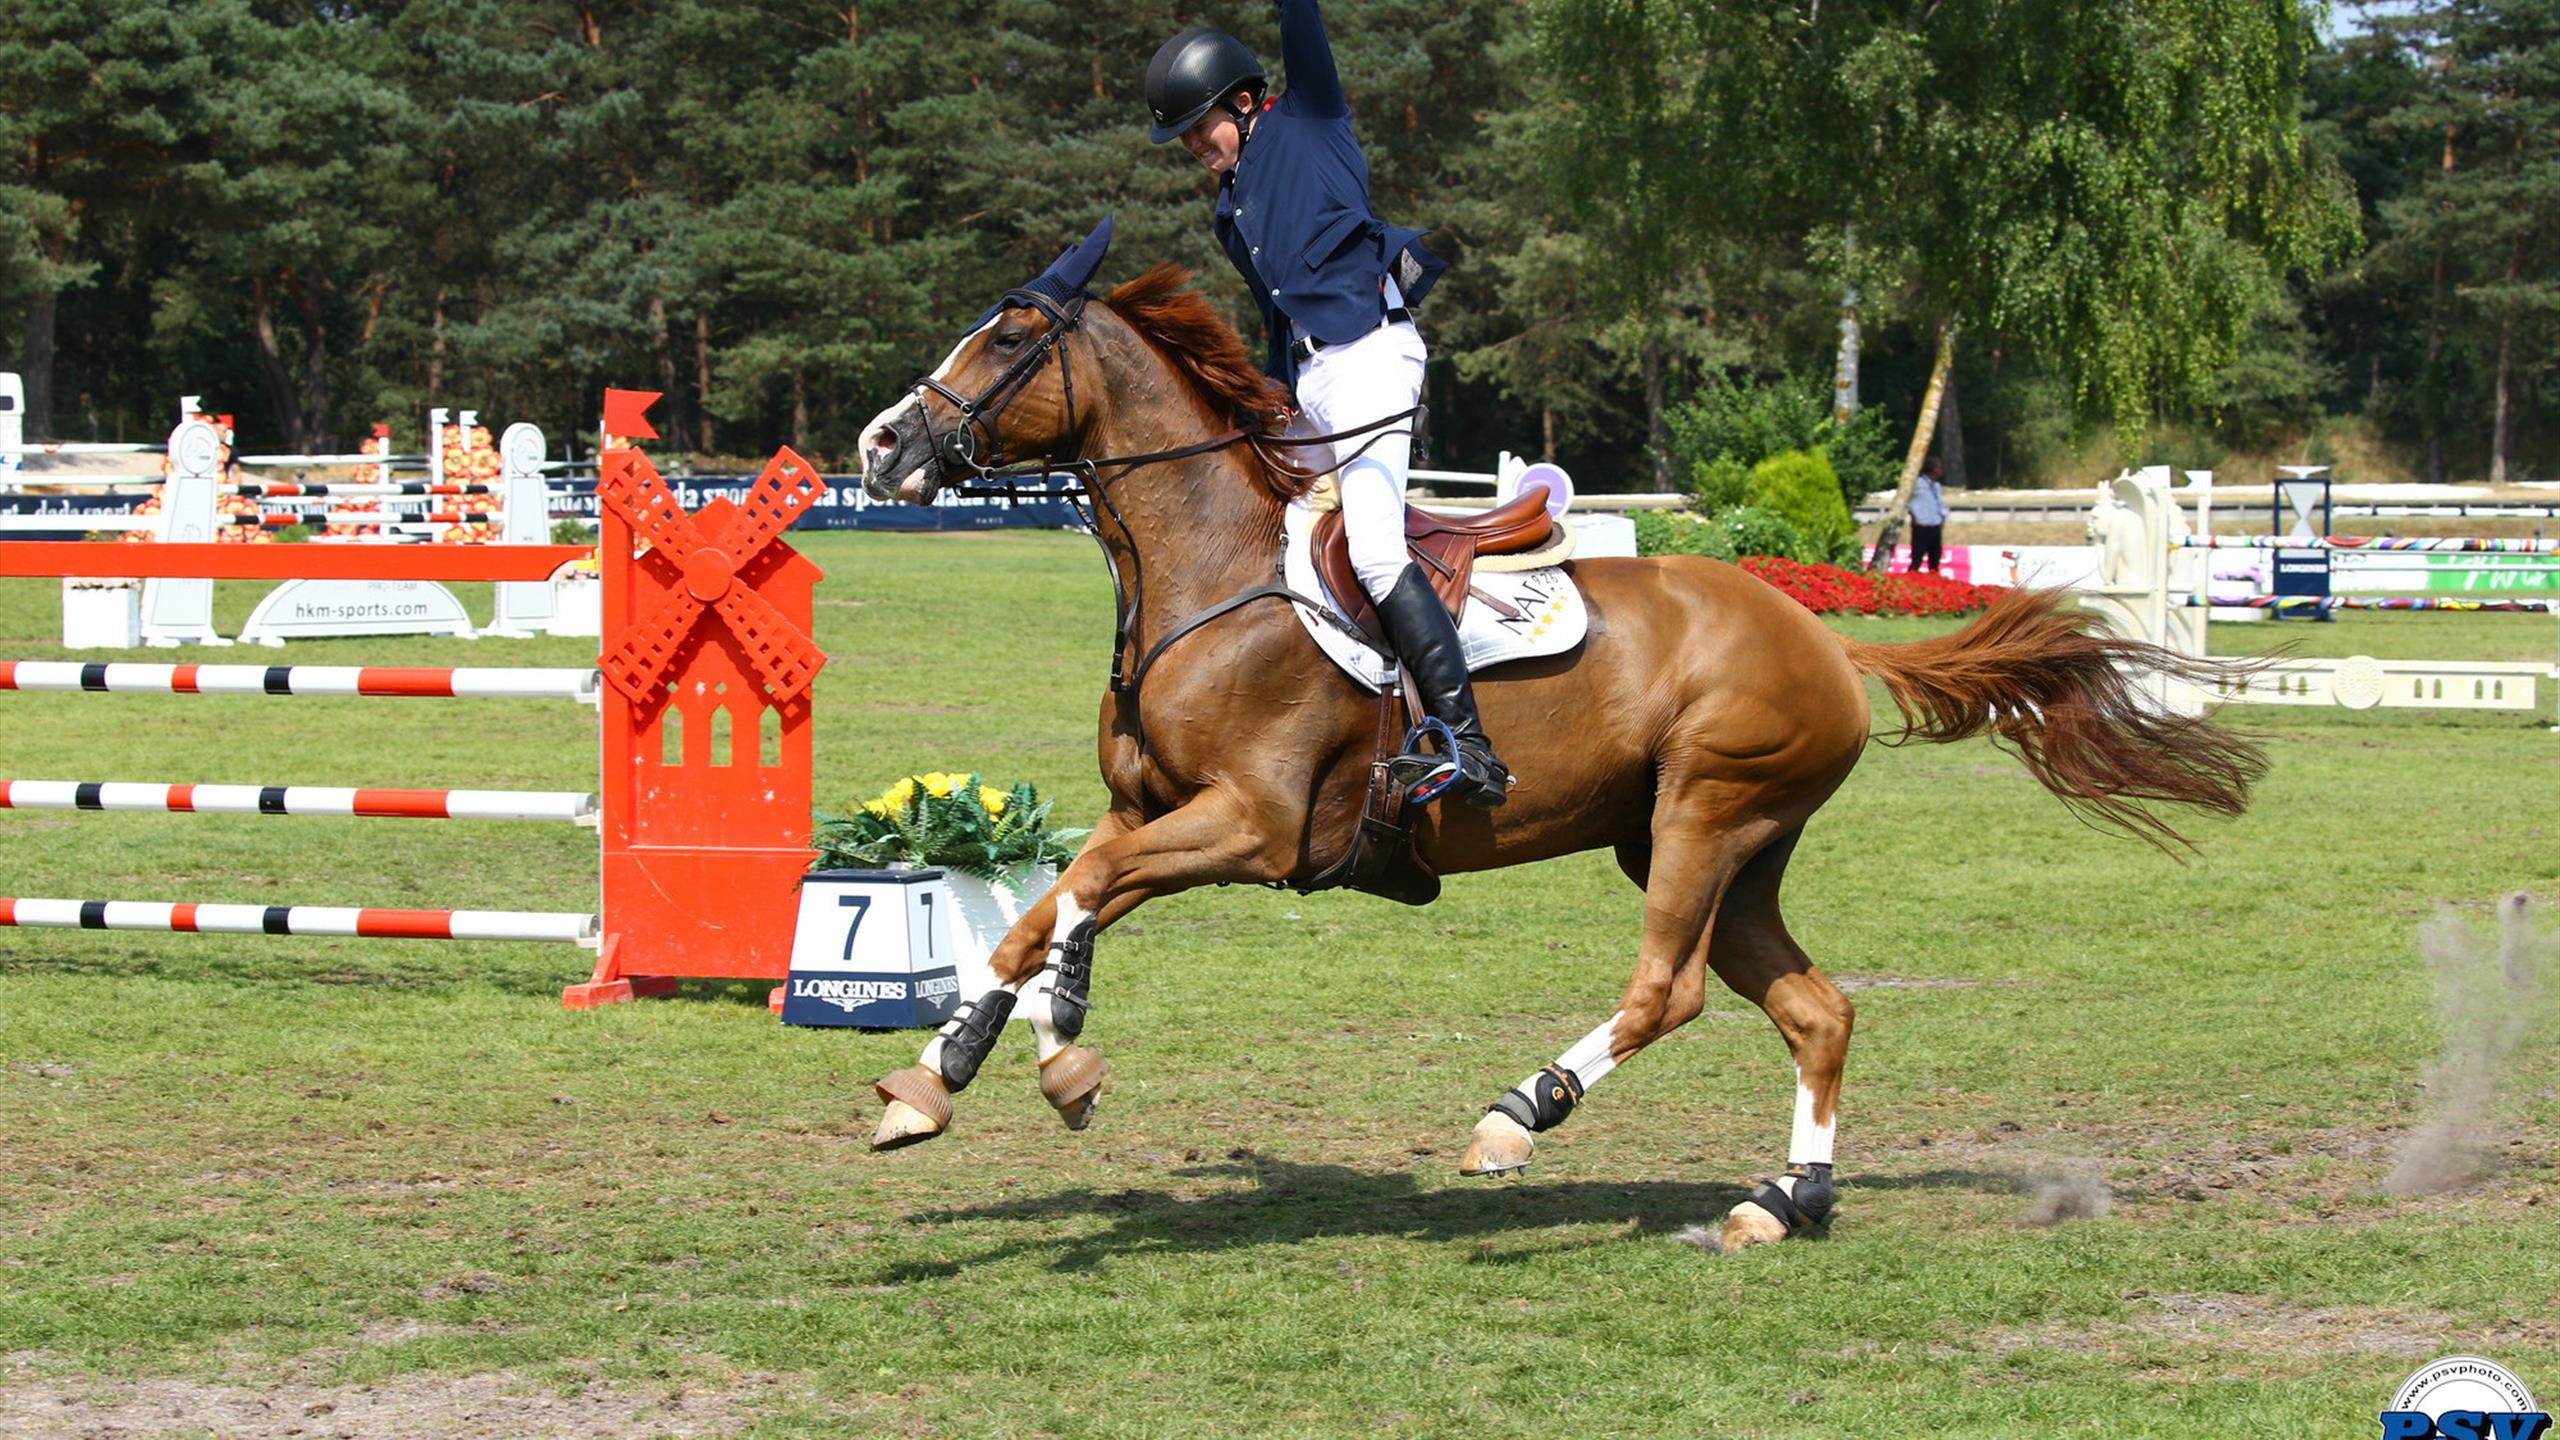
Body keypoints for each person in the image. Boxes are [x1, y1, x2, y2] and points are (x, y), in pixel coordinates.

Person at [1144, 3, 1510, 810]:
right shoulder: (1227, 211)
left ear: (1244, 101)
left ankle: (1469, 744)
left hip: (1371, 356)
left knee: (1376, 553)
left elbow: (1300, 20)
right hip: (1309, 381)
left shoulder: (1310, 116)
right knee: (1257, 521)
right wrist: (1264, 407)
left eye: (1201, 127)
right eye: (1185, 141)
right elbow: (1278, 315)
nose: (1195, 147)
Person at [1909, 456, 1948, 573]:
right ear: (1932, 469)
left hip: (1935, 526)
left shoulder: (1936, 486)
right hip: (1921, 526)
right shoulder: (1917, 483)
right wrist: (1913, 516)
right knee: (1917, 558)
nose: (1941, 470)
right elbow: (1907, 502)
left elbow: (1939, 503)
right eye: (1939, 467)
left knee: (1935, 560)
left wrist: (1942, 518)